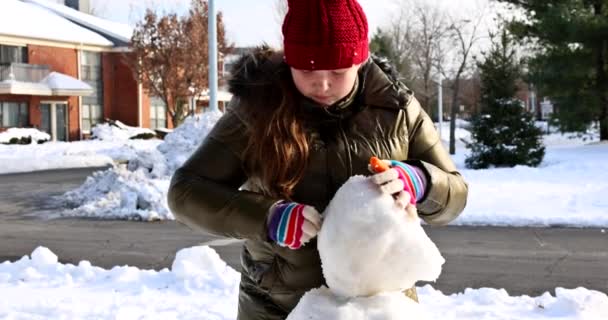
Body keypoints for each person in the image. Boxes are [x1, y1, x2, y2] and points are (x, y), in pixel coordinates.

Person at [168, 0, 468, 319]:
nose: (322, 83)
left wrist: (421, 182)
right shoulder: (256, 111)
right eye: (308, 69)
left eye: (338, 71)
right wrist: (268, 217)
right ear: (290, 62)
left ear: (359, 61)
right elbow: (186, 192)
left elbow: (455, 193)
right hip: (278, 305)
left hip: (379, 306)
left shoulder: (397, 110)